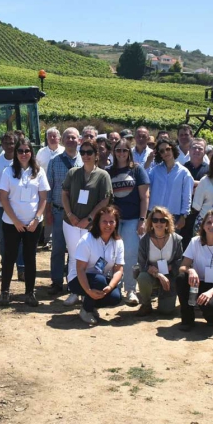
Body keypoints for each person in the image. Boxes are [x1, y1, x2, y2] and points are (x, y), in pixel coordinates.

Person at [0, 136, 49, 306]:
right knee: (9, 257)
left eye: (27, 150)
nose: (24, 154)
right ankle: (5, 292)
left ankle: (29, 293)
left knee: (30, 258)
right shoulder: (8, 171)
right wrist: (16, 221)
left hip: (33, 224)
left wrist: (36, 219)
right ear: (16, 153)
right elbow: (3, 198)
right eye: (20, 151)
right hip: (12, 223)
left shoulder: (39, 171)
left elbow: (43, 198)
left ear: (31, 152)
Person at [61, 140, 113, 306]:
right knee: (74, 256)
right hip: (71, 223)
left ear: (96, 155)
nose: (85, 155)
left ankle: (90, 291)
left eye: (89, 152)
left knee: (95, 258)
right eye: (82, 152)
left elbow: (105, 200)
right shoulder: (72, 172)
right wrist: (71, 215)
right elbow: (64, 194)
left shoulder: (103, 175)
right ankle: (73, 291)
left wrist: (89, 218)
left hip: (92, 225)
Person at [176, 210, 213, 332]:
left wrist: (209, 293)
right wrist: (191, 270)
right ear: (203, 225)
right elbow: (182, 267)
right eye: (209, 222)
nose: (212, 226)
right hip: (199, 283)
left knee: (209, 305)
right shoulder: (195, 242)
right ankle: (187, 319)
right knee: (181, 278)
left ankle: (212, 318)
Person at [109, 138, 150, 305]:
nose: (121, 154)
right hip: (114, 221)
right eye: (118, 150)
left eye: (124, 150)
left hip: (133, 219)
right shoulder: (109, 171)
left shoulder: (138, 170)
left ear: (129, 152)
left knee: (131, 254)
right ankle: (115, 287)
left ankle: (131, 289)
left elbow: (144, 197)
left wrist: (142, 219)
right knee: (114, 255)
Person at [69, 206, 124, 326]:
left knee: (116, 296)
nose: (108, 225)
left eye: (111, 221)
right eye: (104, 221)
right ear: (97, 223)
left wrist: (110, 287)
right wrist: (88, 291)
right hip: (77, 280)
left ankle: (91, 305)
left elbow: (119, 269)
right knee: (99, 280)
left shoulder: (118, 242)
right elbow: (80, 269)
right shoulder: (86, 240)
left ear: (116, 223)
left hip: (101, 280)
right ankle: (86, 310)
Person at [47, 127, 83, 295]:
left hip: (79, 214)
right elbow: (49, 188)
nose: (70, 140)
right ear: (63, 140)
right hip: (59, 211)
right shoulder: (54, 161)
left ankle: (73, 281)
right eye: (68, 137)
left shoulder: (85, 161)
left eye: (73, 138)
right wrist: (47, 211)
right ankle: (56, 281)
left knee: (76, 250)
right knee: (58, 248)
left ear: (79, 140)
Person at [135, 206, 184, 316]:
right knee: (142, 277)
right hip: (152, 274)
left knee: (166, 311)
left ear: (167, 222)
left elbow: (179, 261)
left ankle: (164, 297)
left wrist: (169, 269)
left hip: (170, 276)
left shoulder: (176, 239)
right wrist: (158, 274)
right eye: (155, 220)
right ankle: (146, 304)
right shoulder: (144, 240)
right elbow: (142, 264)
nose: (159, 223)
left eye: (162, 220)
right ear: (150, 222)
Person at [0, 131, 24, 279]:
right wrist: (0, 197)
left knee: (21, 238)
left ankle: (21, 267)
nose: (9, 146)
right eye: (6, 143)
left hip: (18, 206)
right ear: (2, 144)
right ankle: (6, 266)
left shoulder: (22, 161)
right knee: (3, 238)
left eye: (12, 143)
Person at [148, 140, 192, 233]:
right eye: (162, 151)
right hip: (154, 215)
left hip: (173, 216)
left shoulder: (184, 172)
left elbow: (186, 196)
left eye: (168, 149)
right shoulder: (154, 171)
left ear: (173, 149)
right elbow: (145, 184)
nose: (165, 152)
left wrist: (183, 216)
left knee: (171, 245)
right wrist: (148, 162)